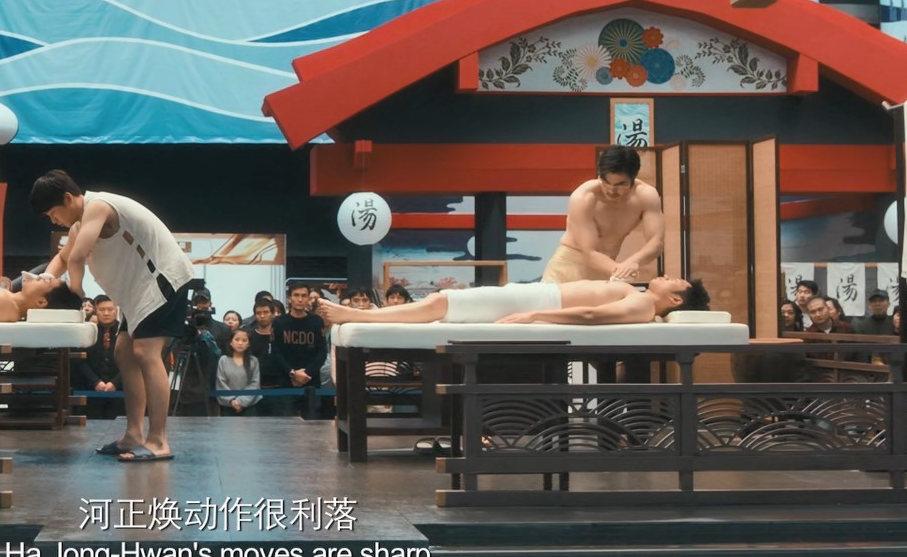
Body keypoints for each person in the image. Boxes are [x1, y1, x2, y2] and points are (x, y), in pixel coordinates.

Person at [34, 170, 196, 463]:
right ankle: (134, 434)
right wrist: (45, 279)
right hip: (137, 293)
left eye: (52, 213)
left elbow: (77, 258)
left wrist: (75, 294)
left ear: (68, 198)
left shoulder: (99, 206)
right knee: (124, 351)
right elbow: (63, 258)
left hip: (163, 279)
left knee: (146, 352)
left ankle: (158, 441)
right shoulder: (79, 226)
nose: (53, 220)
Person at [316, 276, 707, 326]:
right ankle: (358, 315)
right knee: (441, 303)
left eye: (674, 280)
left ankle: (355, 315)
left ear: (675, 299)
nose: (665, 274)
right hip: (539, 295)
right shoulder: (639, 296)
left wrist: (533, 314)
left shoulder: (642, 305)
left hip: (539, 299)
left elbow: (591, 314)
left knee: (441, 303)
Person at [542, 146, 664, 284]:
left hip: (607, 269)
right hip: (567, 267)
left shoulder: (646, 196)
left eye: (620, 184)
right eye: (606, 182)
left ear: (633, 178)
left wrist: (633, 261)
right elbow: (590, 253)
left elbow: (656, 242)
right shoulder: (583, 197)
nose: (611, 190)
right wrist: (622, 271)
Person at [272, 284, 329, 415]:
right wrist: (292, 373)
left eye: (304, 296)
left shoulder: (317, 321)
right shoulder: (279, 322)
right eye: (296, 295)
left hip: (311, 381)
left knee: (312, 423)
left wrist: (306, 373)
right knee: (287, 423)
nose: (300, 299)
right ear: (289, 298)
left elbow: (322, 353)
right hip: (286, 382)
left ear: (308, 299)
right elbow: (275, 352)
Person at [74, 296, 121, 419]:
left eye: (110, 309)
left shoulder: (125, 333)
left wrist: (115, 382)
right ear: (96, 310)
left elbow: (131, 363)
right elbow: (80, 361)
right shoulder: (87, 331)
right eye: (102, 309)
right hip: (90, 388)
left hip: (120, 389)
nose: (106, 313)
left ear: (116, 310)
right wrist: (95, 381)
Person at [215, 328, 261, 416]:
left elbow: (255, 383)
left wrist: (240, 401)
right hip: (228, 406)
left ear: (248, 344)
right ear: (231, 342)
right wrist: (232, 401)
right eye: (237, 339)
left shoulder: (253, 361)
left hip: (249, 407)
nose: (240, 343)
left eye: (244, 340)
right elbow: (221, 383)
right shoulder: (223, 360)